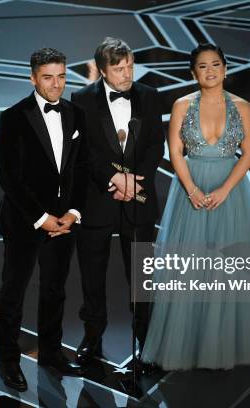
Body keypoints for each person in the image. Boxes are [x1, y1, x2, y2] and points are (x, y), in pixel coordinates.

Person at [141, 43, 250, 370]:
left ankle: (228, 344)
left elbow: (248, 152)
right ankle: (188, 341)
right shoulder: (181, 105)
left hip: (230, 192)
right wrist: (191, 188)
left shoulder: (242, 106)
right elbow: (175, 151)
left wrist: (225, 189)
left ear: (225, 69)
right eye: (203, 66)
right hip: (190, 191)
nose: (210, 71)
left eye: (216, 64)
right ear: (193, 73)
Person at [0, 47, 86, 391]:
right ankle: (9, 362)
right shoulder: (13, 117)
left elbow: (81, 168)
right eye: (48, 77)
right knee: (13, 292)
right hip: (25, 221)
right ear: (33, 78)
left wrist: (73, 213)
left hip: (65, 221)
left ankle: (51, 354)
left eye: (61, 76)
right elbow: (9, 177)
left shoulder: (77, 115)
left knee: (54, 290)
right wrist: (42, 218)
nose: (56, 84)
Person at [71, 37, 165, 368]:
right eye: (118, 68)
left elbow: (156, 145)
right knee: (92, 274)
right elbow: (83, 152)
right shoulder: (80, 99)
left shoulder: (150, 97)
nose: (126, 74)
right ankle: (93, 335)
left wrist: (134, 180)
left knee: (142, 274)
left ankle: (145, 338)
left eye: (130, 66)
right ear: (101, 69)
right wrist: (115, 178)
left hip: (139, 199)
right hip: (97, 199)